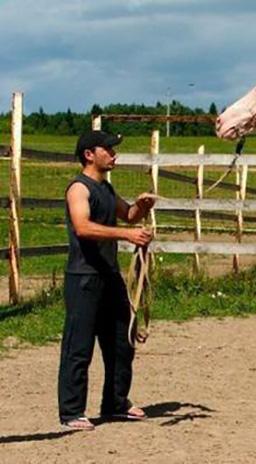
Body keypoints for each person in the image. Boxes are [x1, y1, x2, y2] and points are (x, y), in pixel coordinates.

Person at [58, 130, 156, 431]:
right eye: (109, 150)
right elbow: (83, 226)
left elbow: (128, 215)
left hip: (109, 276)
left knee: (121, 342)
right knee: (79, 345)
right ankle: (72, 411)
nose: (114, 155)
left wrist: (142, 207)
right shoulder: (79, 189)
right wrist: (127, 235)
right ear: (90, 154)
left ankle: (115, 402)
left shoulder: (107, 190)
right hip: (84, 278)